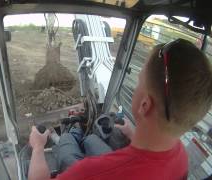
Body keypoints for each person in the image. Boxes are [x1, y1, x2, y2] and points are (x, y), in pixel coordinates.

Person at [27, 39, 212, 180]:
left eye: (139, 82)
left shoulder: (89, 173)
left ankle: (71, 132)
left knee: (67, 144)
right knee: (90, 139)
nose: (137, 86)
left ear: (144, 105)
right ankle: (78, 131)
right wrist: (132, 134)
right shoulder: (180, 156)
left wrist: (37, 147)